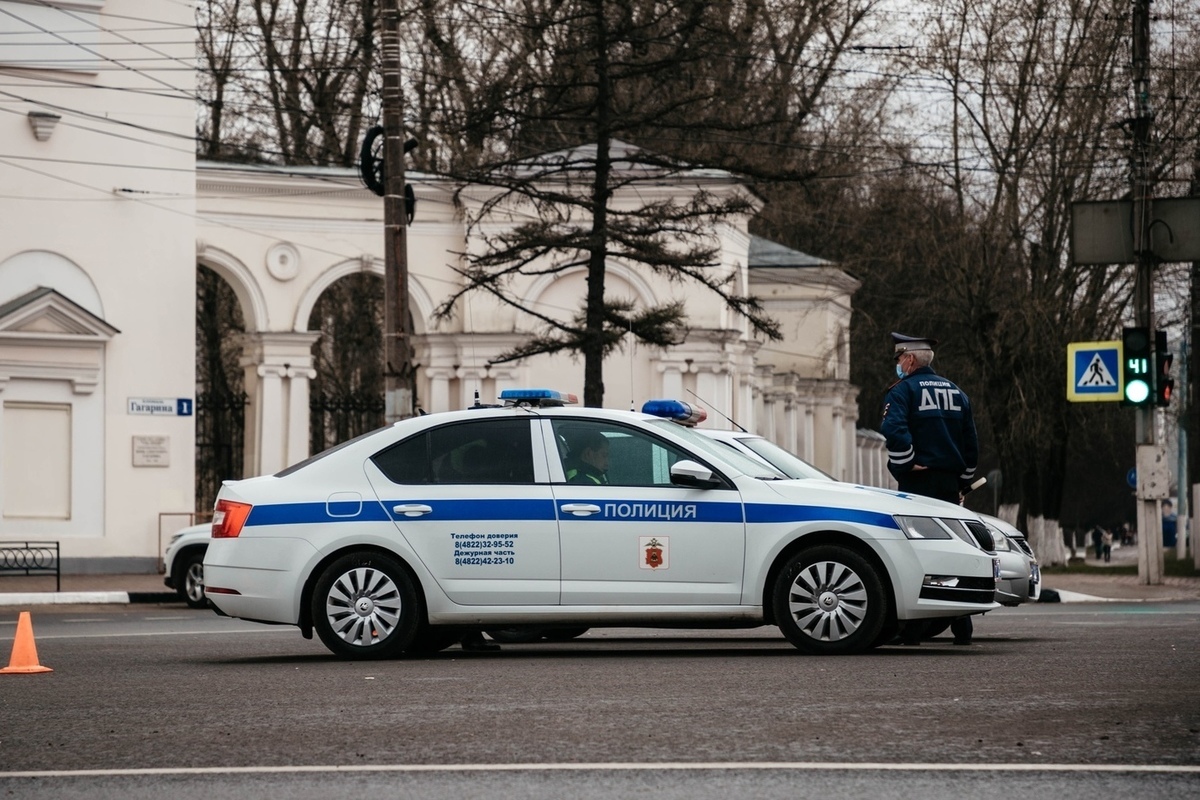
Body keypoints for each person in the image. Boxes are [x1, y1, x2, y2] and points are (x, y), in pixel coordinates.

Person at [881, 332, 980, 646]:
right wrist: (962, 482)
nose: (898, 364)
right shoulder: (956, 392)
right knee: (952, 547)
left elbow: (893, 430)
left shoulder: (903, 391)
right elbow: (971, 444)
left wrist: (907, 462)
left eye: (899, 359)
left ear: (909, 359)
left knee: (918, 550)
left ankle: (913, 631)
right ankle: (962, 625)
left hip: (917, 484)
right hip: (950, 484)